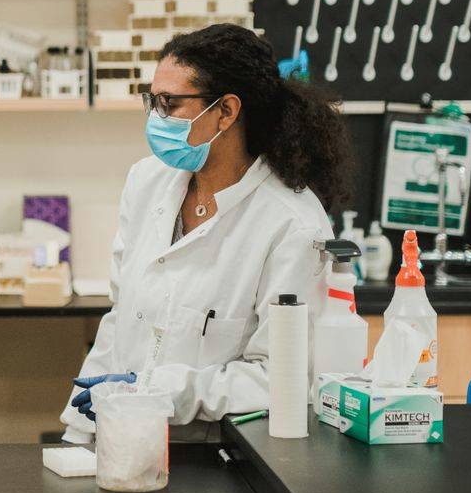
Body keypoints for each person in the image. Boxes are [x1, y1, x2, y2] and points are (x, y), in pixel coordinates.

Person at [62, 23, 349, 439]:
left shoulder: (292, 225)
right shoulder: (147, 182)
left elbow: (282, 378)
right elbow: (121, 321)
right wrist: (78, 436)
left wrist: (162, 392)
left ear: (226, 111)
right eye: (153, 101)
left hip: (217, 457)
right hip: (121, 441)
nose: (156, 118)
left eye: (171, 104)